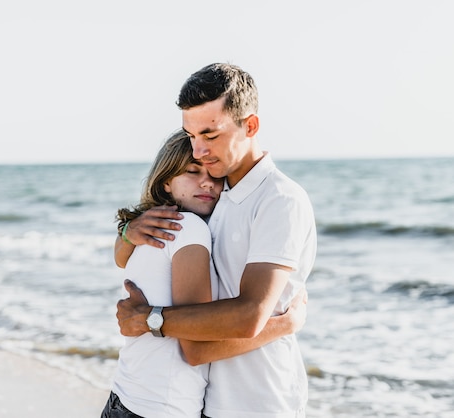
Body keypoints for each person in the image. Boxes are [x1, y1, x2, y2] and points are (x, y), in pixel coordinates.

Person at [116, 63, 317, 417]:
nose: (197, 151)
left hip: (261, 403)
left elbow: (249, 316)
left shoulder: (280, 200)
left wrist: (151, 320)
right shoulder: (215, 197)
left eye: (210, 135)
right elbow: (134, 255)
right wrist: (127, 232)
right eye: (191, 136)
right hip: (209, 402)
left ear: (250, 126)